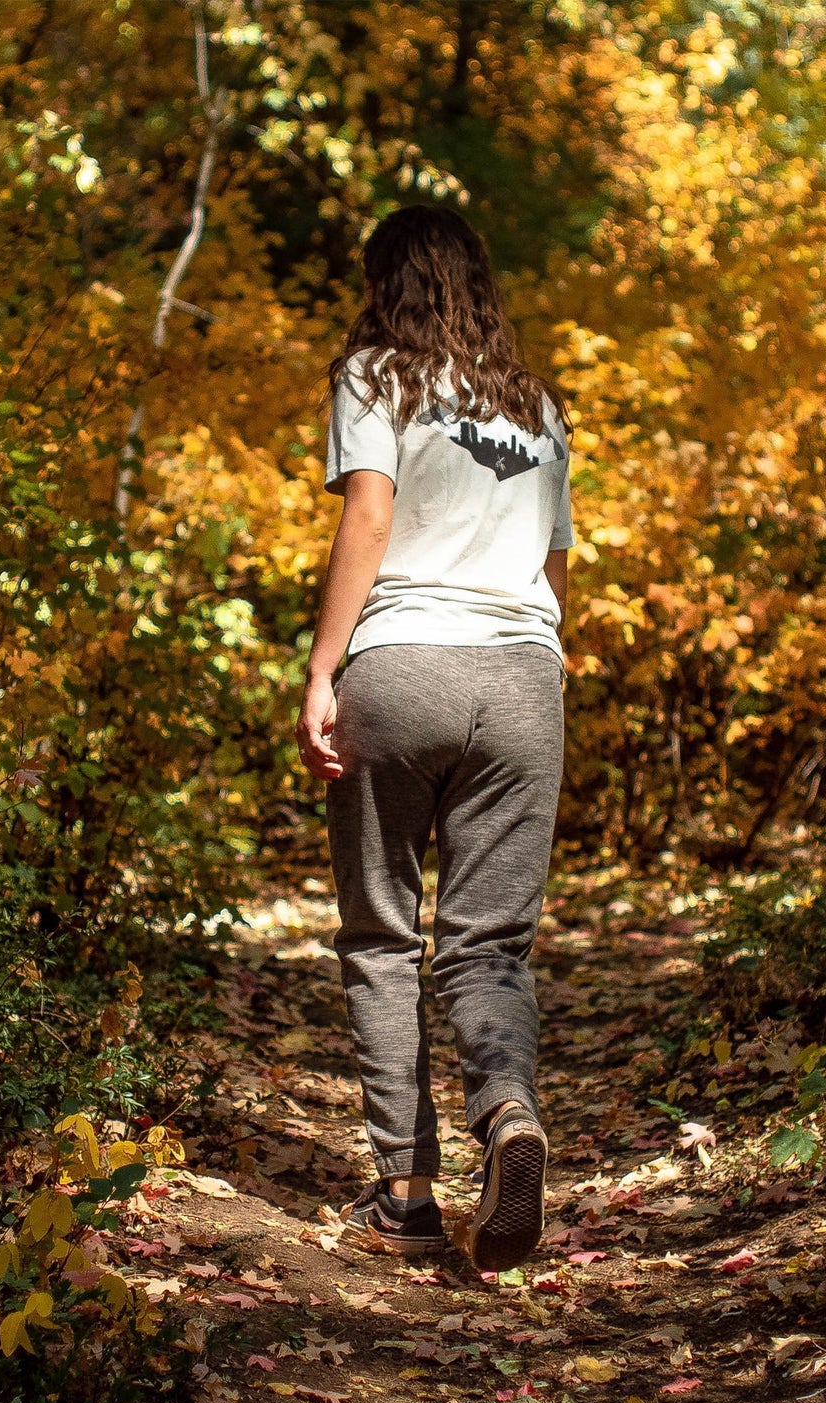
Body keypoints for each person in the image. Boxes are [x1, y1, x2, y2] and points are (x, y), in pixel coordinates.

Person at [295, 204, 574, 1273]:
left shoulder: (375, 374)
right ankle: (506, 1109)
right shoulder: (538, 407)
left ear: (385, 282)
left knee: (379, 932)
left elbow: (367, 515)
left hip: (403, 663)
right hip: (520, 677)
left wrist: (323, 667)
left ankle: (406, 1197)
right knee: (488, 942)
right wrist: (542, 676)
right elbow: (554, 569)